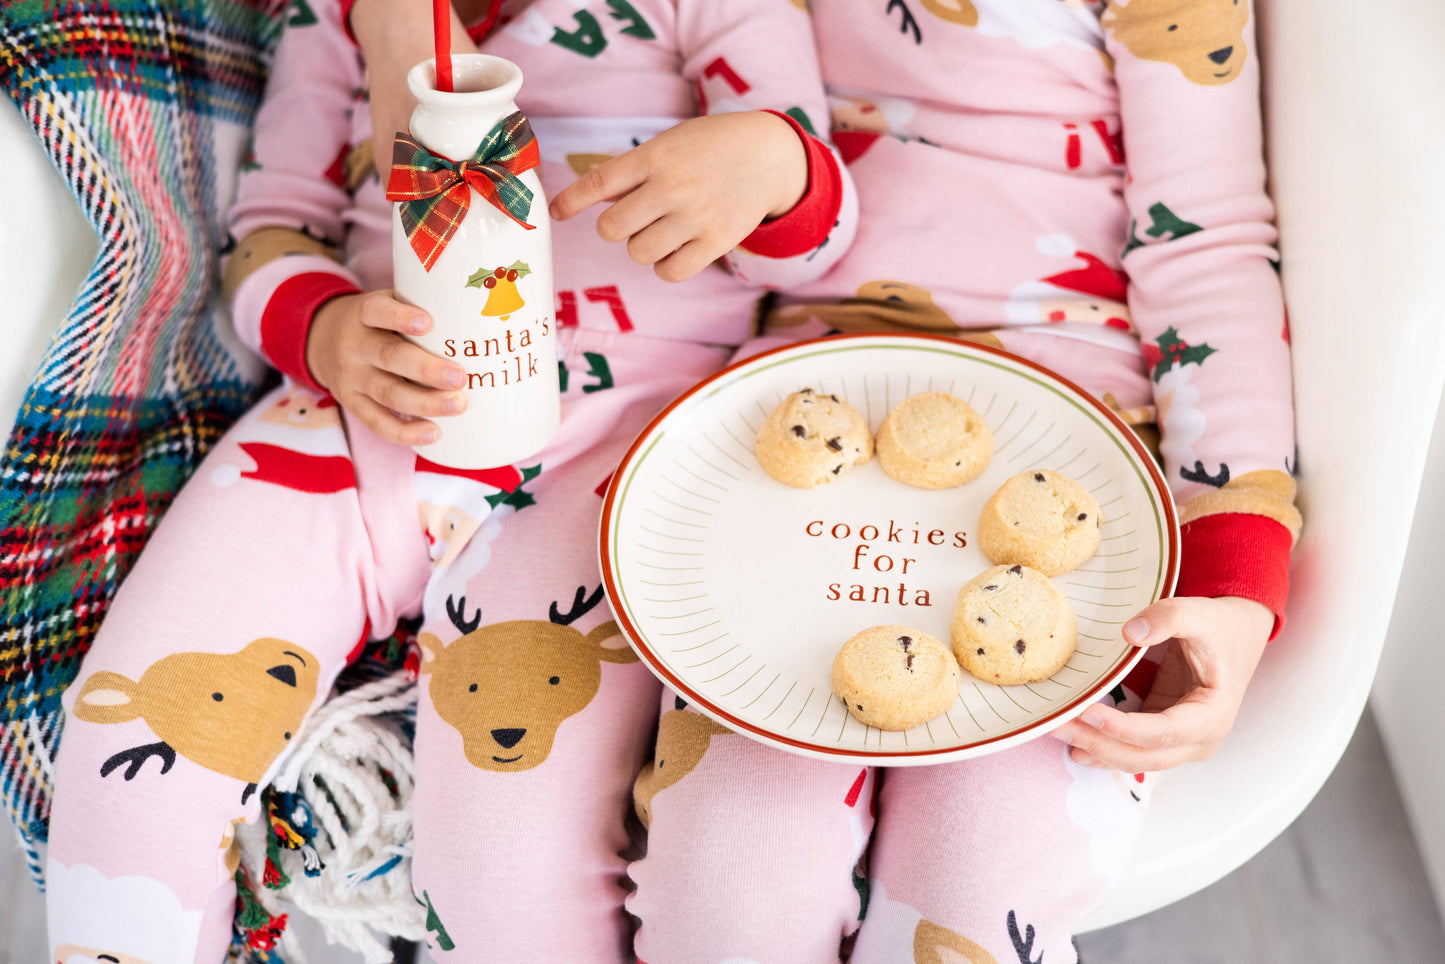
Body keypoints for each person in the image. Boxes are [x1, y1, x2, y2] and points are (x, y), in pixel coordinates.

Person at [44, 0, 856, 959]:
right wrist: (322, 329)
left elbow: (822, 244)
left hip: (617, 435)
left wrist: (769, 163)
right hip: (355, 414)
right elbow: (266, 234)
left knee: (504, 860)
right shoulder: (332, 20)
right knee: (125, 755)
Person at [564, 0, 1300, 960]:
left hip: (1076, 447)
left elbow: (1206, 252)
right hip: (809, 422)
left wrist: (1233, 569)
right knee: (727, 890)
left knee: (975, 893)